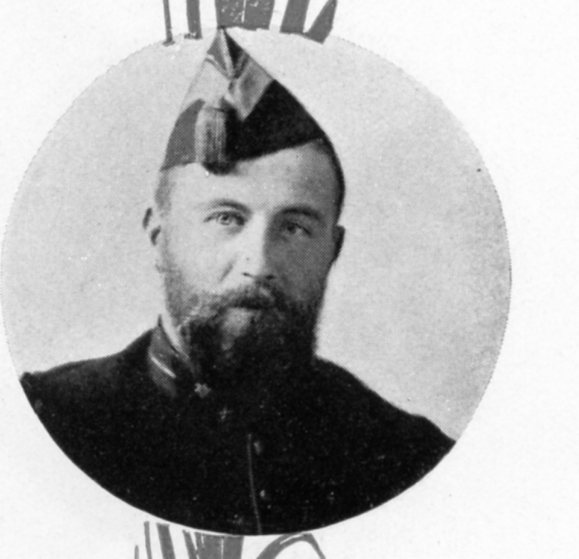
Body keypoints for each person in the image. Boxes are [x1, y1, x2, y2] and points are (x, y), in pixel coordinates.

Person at [20, 29, 453, 535]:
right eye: (226, 218)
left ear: (332, 251)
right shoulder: (46, 422)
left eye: (294, 227)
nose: (259, 263)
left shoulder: (406, 454)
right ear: (159, 238)